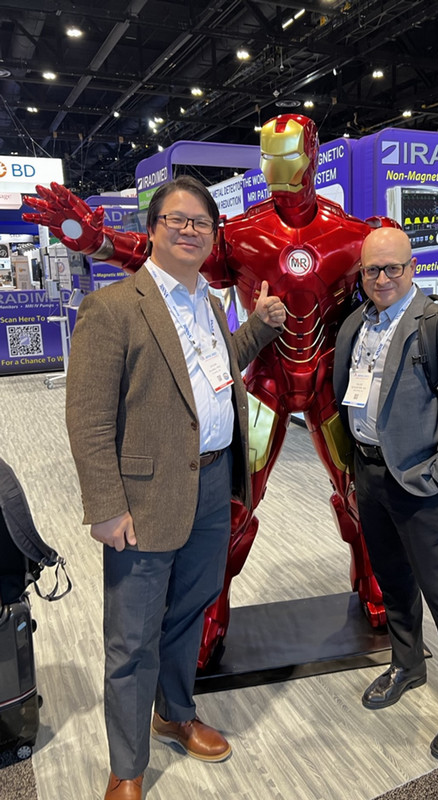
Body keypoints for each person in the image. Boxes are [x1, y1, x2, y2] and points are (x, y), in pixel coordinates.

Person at [23, 114, 400, 671]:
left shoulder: (352, 235)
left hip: (329, 389)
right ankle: (207, 614)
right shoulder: (243, 233)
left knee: (362, 496)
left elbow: (392, 284)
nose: (278, 169)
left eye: (288, 154)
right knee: (231, 508)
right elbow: (163, 257)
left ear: (313, 154)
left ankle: (378, 588)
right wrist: (98, 240)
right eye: (268, 156)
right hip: (264, 387)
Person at [64, 175, 285, 799]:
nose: (190, 230)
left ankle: (176, 714)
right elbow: (87, 417)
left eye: (201, 223)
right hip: (143, 496)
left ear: (212, 236)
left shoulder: (209, 303)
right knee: (132, 637)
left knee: (190, 613)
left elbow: (212, 378)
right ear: (154, 228)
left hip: (214, 484)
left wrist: (261, 327)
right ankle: (127, 768)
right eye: (177, 220)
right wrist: (105, 507)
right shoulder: (112, 308)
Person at [333, 226, 438, 761]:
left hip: (421, 482)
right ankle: (408, 663)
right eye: (372, 270)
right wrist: (357, 468)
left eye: (392, 268)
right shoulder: (357, 324)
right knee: (393, 581)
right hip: (371, 475)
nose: (381, 278)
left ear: (411, 267)